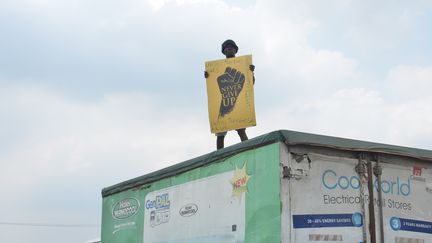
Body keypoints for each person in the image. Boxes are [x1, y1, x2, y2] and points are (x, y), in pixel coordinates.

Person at [204, 39, 255, 150]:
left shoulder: (244, 65)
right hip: (224, 104)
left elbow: (251, 84)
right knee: (220, 133)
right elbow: (212, 87)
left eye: (232, 47)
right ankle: (220, 156)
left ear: (235, 50)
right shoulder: (217, 69)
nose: (229, 49)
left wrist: (251, 72)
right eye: (227, 48)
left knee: (241, 130)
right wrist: (208, 76)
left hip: (239, 104)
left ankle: (248, 150)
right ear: (223, 51)